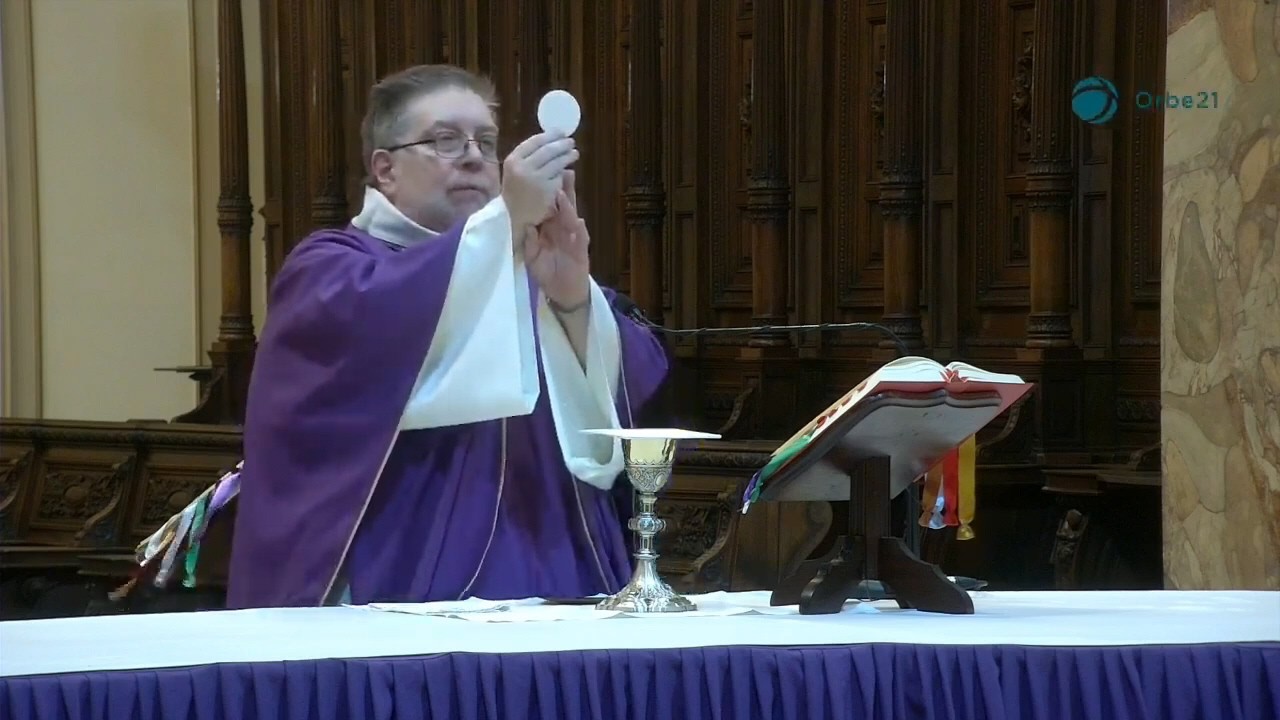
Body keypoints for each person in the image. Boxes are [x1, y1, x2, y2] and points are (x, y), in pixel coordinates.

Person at [224, 64, 670, 608]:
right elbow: (384, 331)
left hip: (559, 572)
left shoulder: (526, 264)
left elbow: (632, 393)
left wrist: (574, 299)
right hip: (405, 575)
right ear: (384, 170)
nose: (475, 157)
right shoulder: (331, 268)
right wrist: (506, 222)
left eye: (485, 141)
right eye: (445, 140)